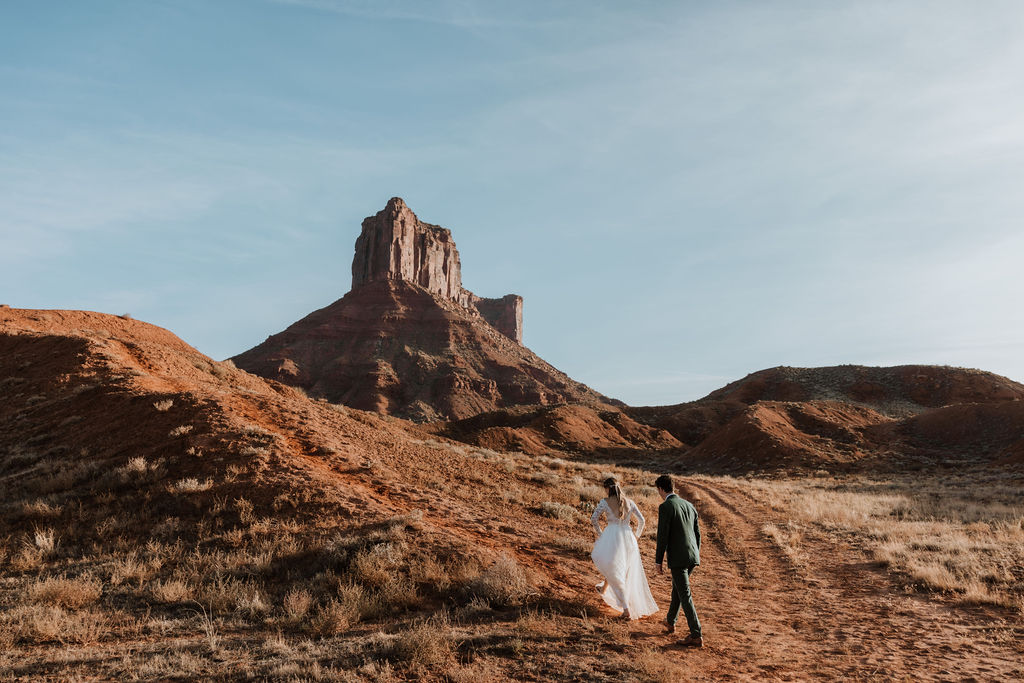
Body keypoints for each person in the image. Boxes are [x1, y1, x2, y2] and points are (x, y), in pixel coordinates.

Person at [590, 476, 658, 620]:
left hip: (612, 537)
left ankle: (626, 609)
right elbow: (642, 521)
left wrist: (601, 534)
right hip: (628, 538)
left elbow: (593, 519)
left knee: (613, 566)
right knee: (620, 567)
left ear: (608, 488)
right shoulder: (630, 502)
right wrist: (637, 536)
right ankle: (604, 588)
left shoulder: (604, 502)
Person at [654, 474, 703, 647]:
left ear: (661, 488)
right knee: (679, 589)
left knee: (685, 594)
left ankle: (696, 633)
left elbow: (662, 536)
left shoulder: (666, 506)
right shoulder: (689, 505)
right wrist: (695, 553)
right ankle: (670, 621)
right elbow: (697, 534)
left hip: (678, 557)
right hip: (692, 556)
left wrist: (658, 560)